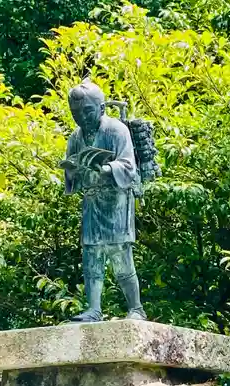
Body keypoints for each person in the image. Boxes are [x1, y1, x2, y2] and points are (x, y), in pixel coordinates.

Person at [63, 80, 146, 322]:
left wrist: (107, 168)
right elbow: (71, 173)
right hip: (91, 201)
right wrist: (73, 170)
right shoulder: (75, 137)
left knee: (120, 253)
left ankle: (136, 308)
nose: (82, 118)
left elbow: (129, 165)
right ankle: (94, 309)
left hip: (116, 201)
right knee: (91, 254)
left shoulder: (117, 130)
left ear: (101, 108)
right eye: (76, 113)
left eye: (87, 111)